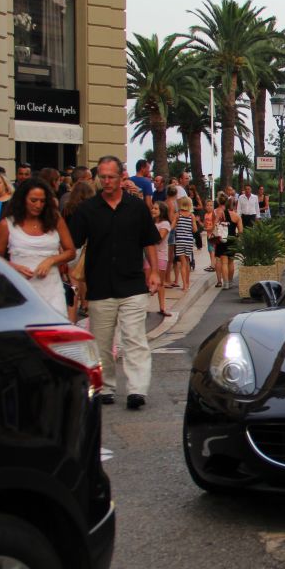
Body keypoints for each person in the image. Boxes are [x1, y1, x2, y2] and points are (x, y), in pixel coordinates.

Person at [67, 156, 162, 410]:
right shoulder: (88, 209)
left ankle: (137, 389)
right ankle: (105, 386)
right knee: (101, 340)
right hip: (100, 285)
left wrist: (154, 271)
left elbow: (148, 241)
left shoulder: (136, 207)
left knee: (134, 338)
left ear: (121, 177)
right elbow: (72, 244)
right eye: (103, 177)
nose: (107, 181)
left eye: (111, 176)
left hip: (132, 283)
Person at [0, 178, 75, 318]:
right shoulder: (7, 224)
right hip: (21, 290)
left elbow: (70, 251)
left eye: (42, 201)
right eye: (33, 200)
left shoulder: (55, 219)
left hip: (52, 289)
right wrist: (14, 267)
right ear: (22, 199)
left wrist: (51, 260)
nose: (38, 205)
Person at [61, 179, 96, 323]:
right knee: (85, 279)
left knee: (73, 283)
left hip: (70, 247)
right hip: (85, 246)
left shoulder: (67, 208)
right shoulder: (91, 209)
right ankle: (86, 303)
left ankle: (72, 316)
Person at [212, 192, 242, 289]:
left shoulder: (218, 213)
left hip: (222, 239)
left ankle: (225, 283)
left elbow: (214, 226)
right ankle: (230, 281)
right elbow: (241, 230)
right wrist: (238, 238)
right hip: (232, 239)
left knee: (224, 262)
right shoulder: (236, 216)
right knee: (231, 262)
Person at [149, 201, 172, 316]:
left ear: (162, 211)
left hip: (161, 255)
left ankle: (162, 307)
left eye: (156, 209)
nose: (153, 210)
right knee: (147, 281)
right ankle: (144, 308)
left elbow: (159, 238)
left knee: (160, 283)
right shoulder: (150, 223)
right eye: (153, 208)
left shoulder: (165, 224)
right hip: (149, 255)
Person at [174, 196, 198, 296]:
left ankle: (184, 285)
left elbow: (172, 226)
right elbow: (195, 229)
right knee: (187, 261)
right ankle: (187, 283)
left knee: (182, 263)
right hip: (188, 240)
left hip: (179, 240)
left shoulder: (177, 215)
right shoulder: (191, 216)